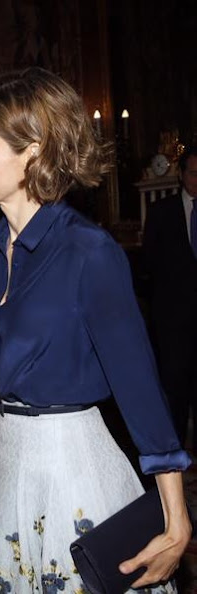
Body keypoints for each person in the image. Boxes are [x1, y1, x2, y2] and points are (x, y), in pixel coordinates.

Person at [0, 67, 192, 593]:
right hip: (11, 471)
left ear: (31, 150)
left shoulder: (88, 252)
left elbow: (140, 387)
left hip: (77, 476)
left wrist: (176, 518)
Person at [143, 146, 197, 452]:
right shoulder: (162, 212)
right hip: (173, 322)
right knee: (174, 390)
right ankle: (174, 455)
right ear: (181, 174)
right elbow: (150, 264)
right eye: (192, 173)